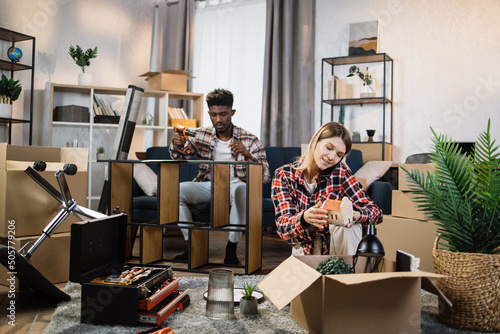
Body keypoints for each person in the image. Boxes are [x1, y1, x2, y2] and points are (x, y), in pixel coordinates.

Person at [169, 88, 270, 265]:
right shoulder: (201, 135)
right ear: (209, 113)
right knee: (175, 191)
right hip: (208, 186)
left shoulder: (250, 139)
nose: (218, 119)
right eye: (214, 114)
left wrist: (248, 155)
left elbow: (265, 176)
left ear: (232, 112)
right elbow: (180, 157)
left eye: (223, 114)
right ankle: (192, 244)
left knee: (241, 189)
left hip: (236, 186)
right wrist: (178, 145)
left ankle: (231, 248)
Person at [271, 122, 382, 256]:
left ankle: (347, 276)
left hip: (337, 247)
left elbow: (376, 212)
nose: (331, 157)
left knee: (348, 228)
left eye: (339, 155)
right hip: (305, 248)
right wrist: (304, 218)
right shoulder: (284, 175)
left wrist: (356, 215)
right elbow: (283, 228)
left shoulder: (341, 173)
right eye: (329, 148)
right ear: (314, 141)